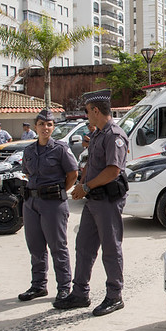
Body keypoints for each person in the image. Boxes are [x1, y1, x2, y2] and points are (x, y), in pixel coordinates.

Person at [54, 89, 129, 316]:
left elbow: (113, 171)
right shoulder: (97, 134)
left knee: (110, 249)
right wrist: (82, 181)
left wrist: (86, 186)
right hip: (93, 200)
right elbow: (91, 163)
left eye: (87, 111)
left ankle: (115, 295)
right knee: (84, 247)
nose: (86, 115)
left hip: (107, 200)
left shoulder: (115, 136)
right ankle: (80, 293)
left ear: (96, 110)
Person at [17, 110, 79, 303]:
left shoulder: (60, 149)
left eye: (50, 125)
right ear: (35, 126)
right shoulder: (28, 151)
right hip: (31, 203)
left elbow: (73, 175)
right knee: (35, 246)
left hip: (53, 203)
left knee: (57, 246)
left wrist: (58, 192)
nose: (46, 128)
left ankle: (63, 287)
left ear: (53, 127)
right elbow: (27, 173)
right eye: (42, 124)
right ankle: (38, 285)